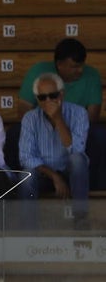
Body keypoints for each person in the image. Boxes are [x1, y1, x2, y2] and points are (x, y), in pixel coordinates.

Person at [16, 38, 104, 189]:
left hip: (78, 129)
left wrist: (60, 120)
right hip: (41, 128)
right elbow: (24, 111)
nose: (80, 70)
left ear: (61, 95)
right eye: (74, 66)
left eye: (82, 65)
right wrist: (42, 123)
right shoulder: (38, 72)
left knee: (96, 139)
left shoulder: (91, 75)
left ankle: (91, 198)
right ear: (59, 64)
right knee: (15, 133)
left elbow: (92, 118)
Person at [18, 72, 90, 227]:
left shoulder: (79, 113)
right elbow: (26, 157)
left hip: (70, 173)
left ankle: (81, 220)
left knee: (77, 159)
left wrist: (58, 118)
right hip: (44, 174)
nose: (48, 101)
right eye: (42, 97)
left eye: (53, 95)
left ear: (61, 94)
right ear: (37, 99)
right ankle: (28, 231)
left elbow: (76, 149)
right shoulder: (30, 118)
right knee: (27, 175)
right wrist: (54, 176)